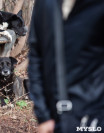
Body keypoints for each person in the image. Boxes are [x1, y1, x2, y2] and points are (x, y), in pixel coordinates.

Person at [28, 0, 104, 133]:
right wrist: (43, 115)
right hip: (54, 119)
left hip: (94, 115)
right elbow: (36, 56)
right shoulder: (46, 3)